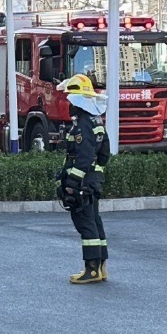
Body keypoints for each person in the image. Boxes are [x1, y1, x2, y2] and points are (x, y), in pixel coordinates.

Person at [57, 75, 111, 285]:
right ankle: (101, 267)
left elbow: (83, 157)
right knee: (94, 221)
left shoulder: (83, 126)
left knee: (85, 223)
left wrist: (72, 183)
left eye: (71, 99)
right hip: (92, 180)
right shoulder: (96, 120)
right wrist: (95, 174)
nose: (69, 104)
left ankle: (91, 269)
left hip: (83, 183)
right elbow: (104, 153)